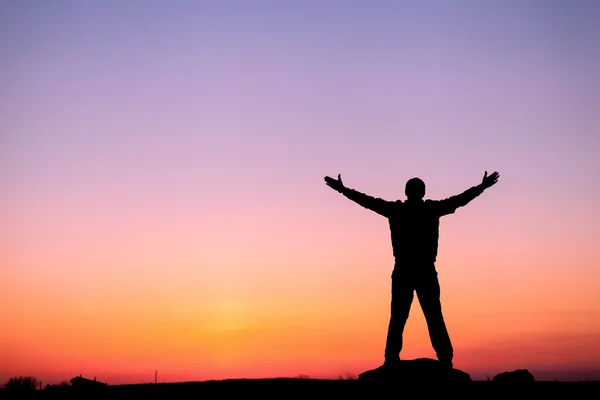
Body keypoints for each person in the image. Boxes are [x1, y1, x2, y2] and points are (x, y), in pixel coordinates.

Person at [324, 171, 500, 369]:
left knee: (409, 316)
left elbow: (367, 201)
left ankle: (402, 358)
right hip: (414, 270)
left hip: (411, 270)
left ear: (408, 192)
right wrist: (482, 187)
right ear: (421, 192)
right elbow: (459, 200)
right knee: (422, 316)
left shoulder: (402, 210)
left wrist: (343, 190)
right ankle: (432, 358)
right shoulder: (424, 209)